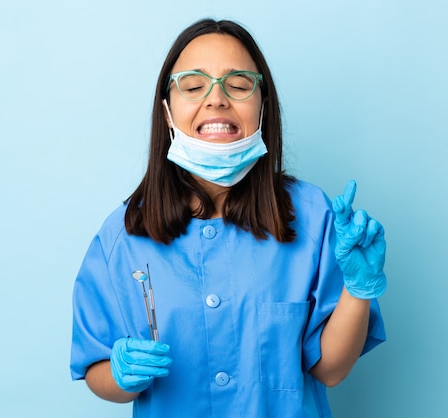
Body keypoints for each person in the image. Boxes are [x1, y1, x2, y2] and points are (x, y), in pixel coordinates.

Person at [70, 18, 386, 418]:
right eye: (193, 85)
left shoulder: (311, 216)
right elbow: (95, 369)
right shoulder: (125, 233)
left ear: (262, 106)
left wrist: (359, 289)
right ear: (167, 111)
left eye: (238, 85)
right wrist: (120, 374)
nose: (216, 99)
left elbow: (331, 370)